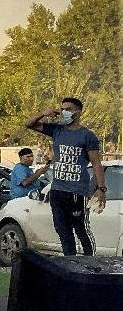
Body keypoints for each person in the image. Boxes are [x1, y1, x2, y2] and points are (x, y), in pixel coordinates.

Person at [26, 97, 107, 256]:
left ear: (78, 112)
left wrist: (101, 189)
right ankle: (70, 261)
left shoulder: (87, 135)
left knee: (81, 229)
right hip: (57, 190)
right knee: (62, 230)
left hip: (77, 192)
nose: (64, 112)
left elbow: (97, 164)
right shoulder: (57, 130)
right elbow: (29, 124)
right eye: (62, 109)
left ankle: (91, 262)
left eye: (68, 109)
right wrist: (44, 113)